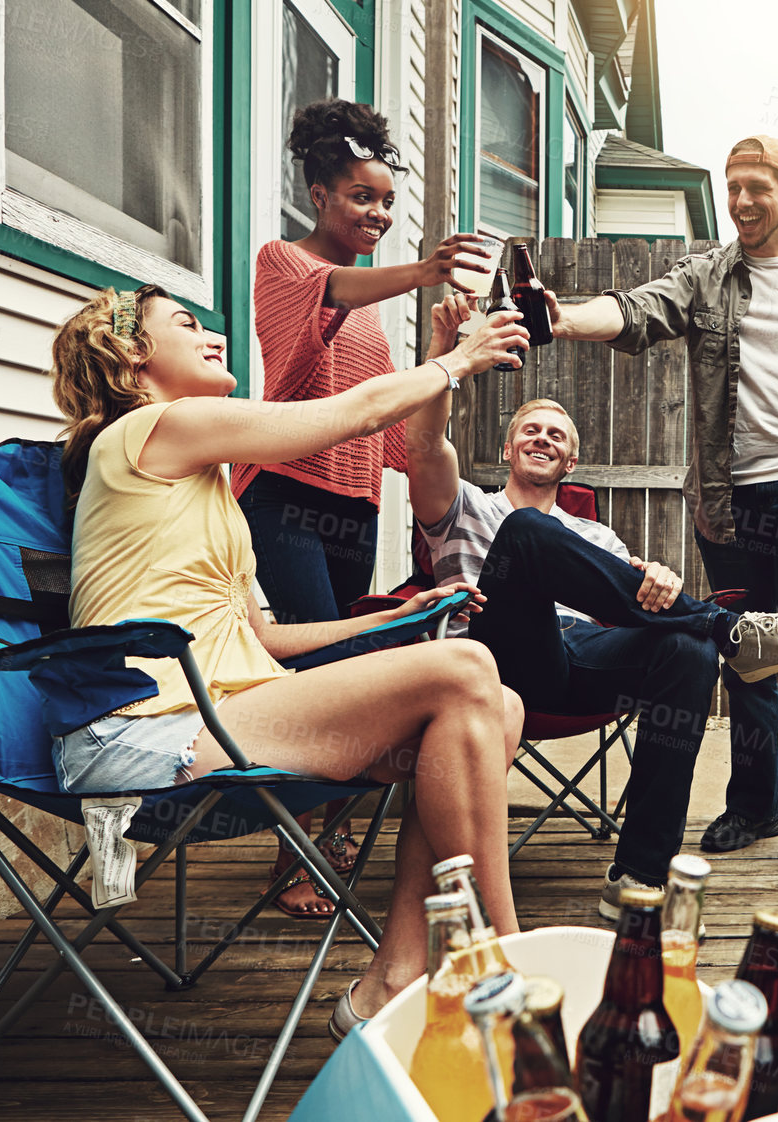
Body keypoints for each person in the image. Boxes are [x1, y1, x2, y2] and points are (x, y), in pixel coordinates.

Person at [50, 282, 531, 1035]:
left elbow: (261, 641)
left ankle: (392, 980)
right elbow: (342, 417)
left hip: (220, 715)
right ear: (133, 358)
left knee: (498, 704)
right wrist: (457, 364)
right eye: (187, 325)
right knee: (466, 670)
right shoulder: (153, 429)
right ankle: (508, 961)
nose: (214, 336)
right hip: (138, 731)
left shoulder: (202, 478)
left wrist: (389, 619)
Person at [407, 299, 778, 914]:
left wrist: (658, 581)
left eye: (557, 434)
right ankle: (730, 629)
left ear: (571, 461)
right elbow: (424, 444)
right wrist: (446, 355)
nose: (543, 437)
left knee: (687, 651)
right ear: (507, 449)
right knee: (528, 531)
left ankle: (638, 879)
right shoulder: (465, 507)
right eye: (530, 429)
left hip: (573, 662)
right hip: (489, 657)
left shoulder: (600, 540)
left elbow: (628, 602)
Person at [541, 136, 778, 880]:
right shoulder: (706, 276)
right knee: (745, 659)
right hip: (730, 504)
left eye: (756, 187)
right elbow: (636, 311)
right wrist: (563, 318)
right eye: (733, 186)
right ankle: (754, 803)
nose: (741, 201)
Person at [233, 99, 497, 916]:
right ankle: (294, 850)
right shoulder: (284, 264)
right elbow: (328, 294)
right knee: (319, 666)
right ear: (318, 195)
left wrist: (443, 364)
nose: (377, 214)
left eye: (386, 201)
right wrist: (423, 271)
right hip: (282, 493)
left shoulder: (370, 304)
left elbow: (387, 424)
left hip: (350, 503)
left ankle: (328, 833)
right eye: (360, 198)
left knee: (354, 668)